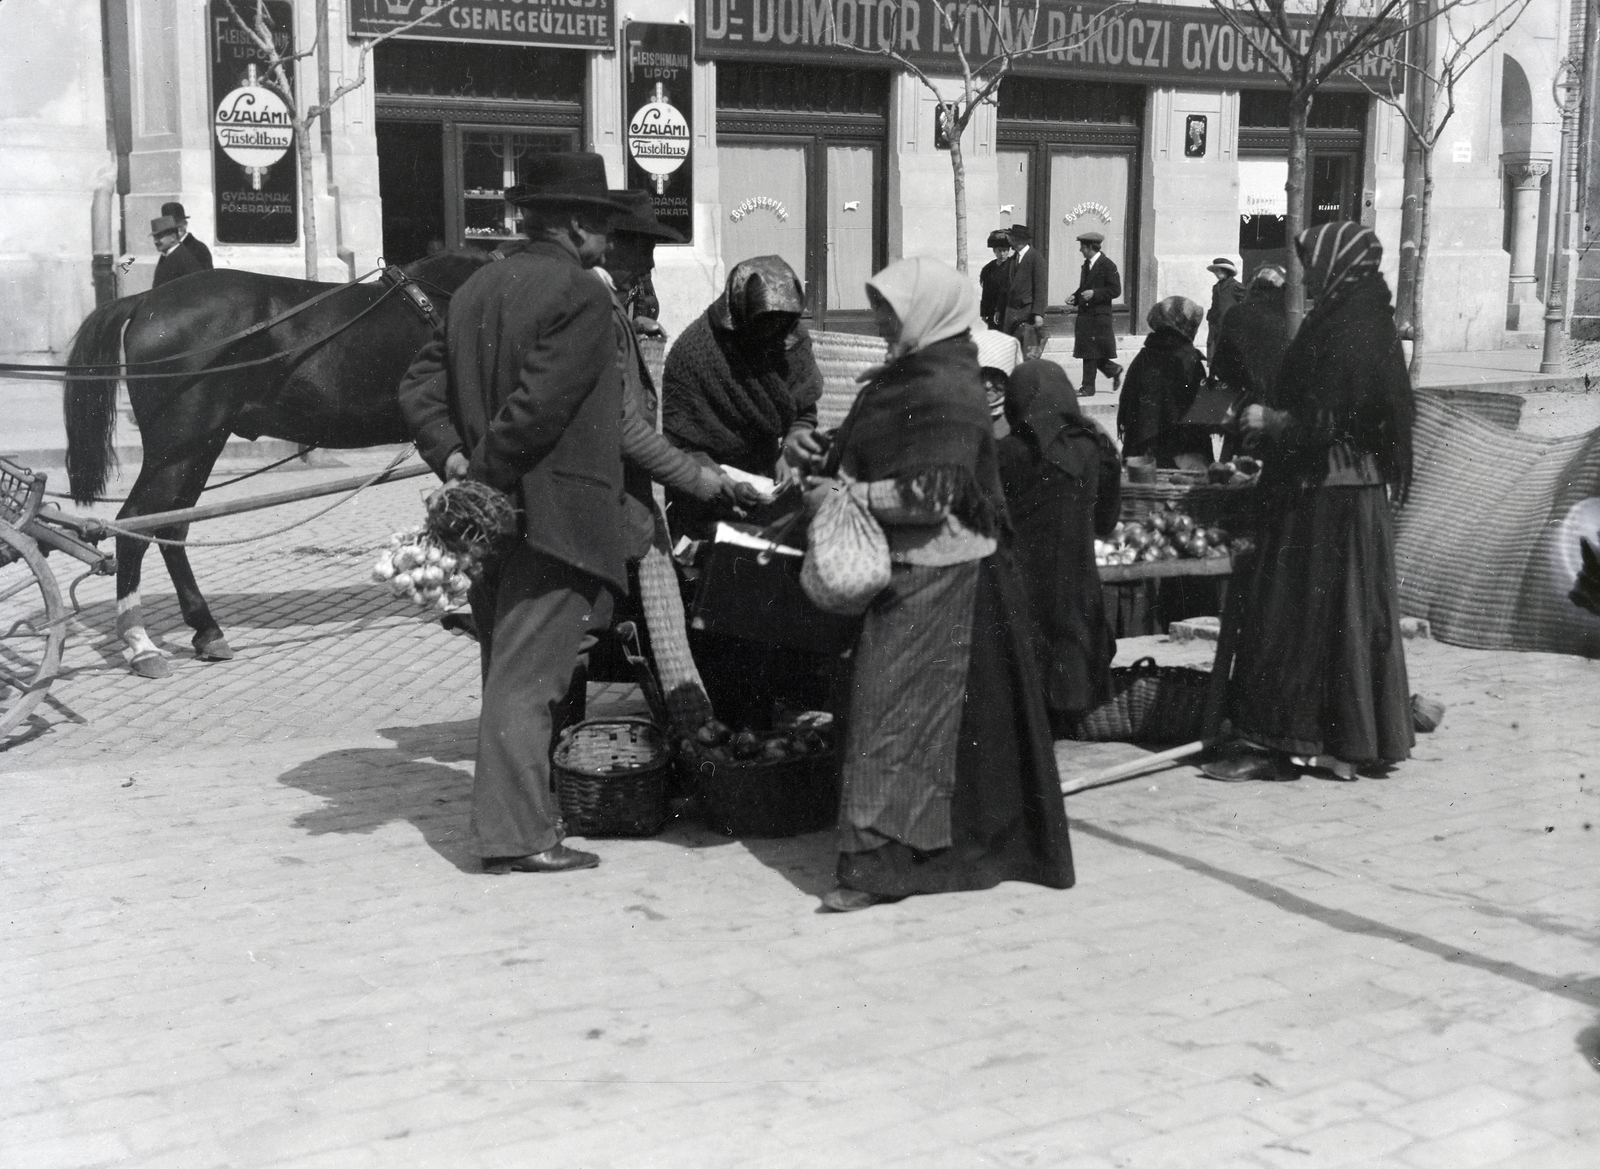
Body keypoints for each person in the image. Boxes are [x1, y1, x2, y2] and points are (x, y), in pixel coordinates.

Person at [812, 256, 1075, 912]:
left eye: (890, 311)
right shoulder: (910, 377)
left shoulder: (948, 390)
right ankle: (898, 855)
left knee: (893, 719)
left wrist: (848, 492)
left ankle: (880, 867)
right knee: (909, 724)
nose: (878, 322)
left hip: (942, 576)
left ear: (927, 315)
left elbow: (936, 492)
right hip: (912, 569)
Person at [397, 152, 632, 875]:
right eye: (599, 224)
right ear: (568, 223)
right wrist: (486, 477)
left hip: (492, 523)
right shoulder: (583, 295)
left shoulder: (473, 288)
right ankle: (519, 835)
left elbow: (417, 387)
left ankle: (523, 817)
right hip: (553, 516)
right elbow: (538, 408)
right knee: (527, 681)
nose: (608, 241)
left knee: (507, 664)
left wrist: (457, 463)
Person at [1206, 222, 1415, 783]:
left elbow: (1329, 421)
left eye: (1314, 262)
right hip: (1352, 496)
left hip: (1327, 495)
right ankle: (1348, 740)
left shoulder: (1349, 325)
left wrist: (1269, 421)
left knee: (1296, 613)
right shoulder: (1365, 317)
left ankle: (1288, 742)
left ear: (1339, 265)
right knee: (1346, 617)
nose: (1309, 274)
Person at [599, 190, 749, 733]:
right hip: (611, 497)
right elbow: (623, 427)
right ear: (607, 244)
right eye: (643, 251)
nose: (651, 265)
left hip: (630, 495)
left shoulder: (616, 303)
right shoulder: (593, 306)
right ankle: (691, 729)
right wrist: (703, 482)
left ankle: (692, 725)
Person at [998, 360, 1121, 730]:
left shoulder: (1008, 452)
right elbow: (1106, 523)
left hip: (1020, 582)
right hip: (1076, 582)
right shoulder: (1096, 448)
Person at [661, 255, 824, 525]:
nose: (775, 329)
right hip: (706, 482)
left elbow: (804, 410)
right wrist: (726, 481)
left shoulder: (791, 341)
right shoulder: (695, 353)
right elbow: (679, 443)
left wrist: (791, 448)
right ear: (740, 310)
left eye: (782, 321)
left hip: (769, 478)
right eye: (766, 320)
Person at [1117, 296, 1212, 469]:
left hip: (1143, 456)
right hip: (1181, 456)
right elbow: (1201, 417)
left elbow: (1128, 408)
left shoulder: (1144, 355)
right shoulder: (1189, 359)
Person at [1211, 265, 1290, 462]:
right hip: (1280, 413)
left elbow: (1221, 365)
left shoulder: (1236, 314)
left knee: (1237, 477)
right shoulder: (1292, 317)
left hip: (1243, 409)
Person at [1070, 231, 1122, 398]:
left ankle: (1088, 388)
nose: (1080, 251)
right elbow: (1085, 287)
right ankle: (1113, 370)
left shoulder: (1108, 265)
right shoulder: (1087, 264)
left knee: (1090, 352)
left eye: (1082, 247)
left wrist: (1095, 293)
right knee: (1090, 351)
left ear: (1090, 248)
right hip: (1087, 315)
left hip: (1099, 316)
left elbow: (1115, 290)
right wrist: (1075, 297)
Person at [999, 224, 1048, 358]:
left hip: (1026, 312)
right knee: (1011, 353)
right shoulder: (1013, 259)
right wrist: (1000, 309)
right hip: (1011, 312)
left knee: (1027, 354)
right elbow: (1006, 287)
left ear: (1020, 239)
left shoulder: (1036, 259)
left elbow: (1040, 289)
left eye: (1012, 237)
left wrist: (1038, 314)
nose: (1009, 240)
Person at [975, 326, 1023, 433]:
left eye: (996, 377)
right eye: (982, 375)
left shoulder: (1017, 420)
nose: (988, 385)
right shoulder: (960, 416)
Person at [1204, 256, 1245, 363]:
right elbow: (1214, 304)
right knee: (1212, 345)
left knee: (1228, 347)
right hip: (1215, 323)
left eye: (1218, 270)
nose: (1216, 273)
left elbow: (1244, 303)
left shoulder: (1236, 286)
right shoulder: (1216, 287)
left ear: (1226, 271)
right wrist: (1210, 317)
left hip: (1229, 323)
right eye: (1215, 271)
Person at [150, 216, 206, 288]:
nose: (155, 241)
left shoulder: (184, 259)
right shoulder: (166, 256)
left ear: (173, 237)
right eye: (154, 237)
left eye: (159, 237)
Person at [161, 202, 214, 273]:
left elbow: (207, 278)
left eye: (176, 225)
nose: (173, 230)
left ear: (185, 225)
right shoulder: (167, 248)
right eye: (168, 227)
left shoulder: (199, 249)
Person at [978, 229, 1013, 330]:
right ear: (994, 251)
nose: (1002, 254)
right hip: (992, 310)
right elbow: (985, 292)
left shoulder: (1013, 266)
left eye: (1004, 250)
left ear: (1008, 251)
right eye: (999, 251)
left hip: (1007, 309)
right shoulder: (988, 269)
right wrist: (983, 314)